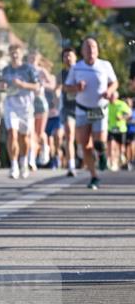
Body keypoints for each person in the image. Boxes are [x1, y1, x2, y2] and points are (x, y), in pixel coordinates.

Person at [63, 37, 118, 190]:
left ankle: (101, 154)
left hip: (100, 109)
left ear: (97, 50)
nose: (90, 51)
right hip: (82, 109)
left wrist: (109, 91)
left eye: (93, 47)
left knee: (99, 142)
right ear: (82, 52)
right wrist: (76, 88)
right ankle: (94, 176)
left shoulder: (105, 65)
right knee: (84, 144)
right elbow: (66, 87)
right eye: (87, 48)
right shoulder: (76, 68)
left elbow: (114, 82)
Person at [0, 45, 39, 180]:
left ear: (21, 54)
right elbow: (1, 85)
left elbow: (37, 86)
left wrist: (23, 85)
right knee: (12, 133)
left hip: (26, 107)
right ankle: (14, 165)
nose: (14, 56)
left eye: (17, 53)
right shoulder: (5, 70)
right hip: (11, 105)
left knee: (24, 138)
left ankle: (23, 161)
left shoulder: (29, 69)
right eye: (12, 53)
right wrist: (2, 86)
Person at [27, 50, 55, 169]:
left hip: (40, 102)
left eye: (35, 57)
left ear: (38, 59)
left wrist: (43, 84)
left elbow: (52, 85)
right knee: (30, 132)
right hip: (28, 103)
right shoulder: (24, 69)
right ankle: (31, 159)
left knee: (39, 133)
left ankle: (44, 146)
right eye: (31, 57)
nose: (33, 59)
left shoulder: (41, 70)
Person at [59, 47, 78, 176]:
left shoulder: (81, 71)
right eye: (65, 56)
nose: (68, 58)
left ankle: (87, 157)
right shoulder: (61, 74)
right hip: (68, 108)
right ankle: (71, 165)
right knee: (69, 135)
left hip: (83, 107)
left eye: (70, 56)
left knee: (85, 139)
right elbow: (59, 87)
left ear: (75, 57)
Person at [106, 88, 131, 171]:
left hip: (121, 129)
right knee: (111, 146)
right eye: (111, 96)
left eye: (113, 96)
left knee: (121, 148)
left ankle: (121, 157)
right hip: (111, 129)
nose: (111, 98)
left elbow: (129, 114)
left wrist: (122, 117)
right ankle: (112, 163)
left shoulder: (122, 104)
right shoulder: (107, 105)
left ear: (117, 97)